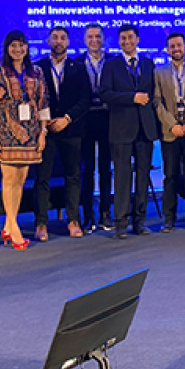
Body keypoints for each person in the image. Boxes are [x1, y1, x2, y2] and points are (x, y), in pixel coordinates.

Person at [0, 30, 49, 249]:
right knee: (9, 178)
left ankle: (8, 225)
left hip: (30, 132)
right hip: (4, 130)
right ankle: (14, 226)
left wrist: (43, 132)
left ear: (27, 48)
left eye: (21, 45)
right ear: (7, 48)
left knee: (20, 180)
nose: (18, 49)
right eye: (13, 45)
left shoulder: (36, 71)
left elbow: (43, 103)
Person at [99, 24, 159, 239]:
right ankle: (121, 223)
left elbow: (154, 94)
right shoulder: (110, 65)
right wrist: (132, 98)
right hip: (121, 129)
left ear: (137, 39)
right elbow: (104, 94)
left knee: (143, 176)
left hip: (145, 129)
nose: (127, 41)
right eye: (123, 38)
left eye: (130, 37)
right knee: (122, 177)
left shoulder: (148, 63)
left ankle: (139, 221)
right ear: (119, 41)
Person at [33, 26, 90, 241]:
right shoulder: (37, 68)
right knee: (42, 178)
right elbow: (32, 98)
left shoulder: (79, 67)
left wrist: (66, 118)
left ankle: (73, 220)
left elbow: (85, 99)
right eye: (55, 38)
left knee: (72, 176)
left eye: (62, 38)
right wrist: (45, 120)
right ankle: (41, 223)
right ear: (48, 41)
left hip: (71, 129)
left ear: (68, 42)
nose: (58, 41)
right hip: (44, 131)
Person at [154, 32, 185, 232]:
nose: (176, 49)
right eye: (172, 46)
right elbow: (157, 102)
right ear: (167, 50)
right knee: (170, 176)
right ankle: (169, 218)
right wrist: (172, 125)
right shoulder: (159, 73)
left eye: (179, 45)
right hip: (170, 133)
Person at [79, 23, 114, 231]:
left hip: (108, 119)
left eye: (98, 36)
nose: (94, 40)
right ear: (85, 40)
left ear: (103, 38)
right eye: (90, 37)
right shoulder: (77, 63)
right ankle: (88, 215)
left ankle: (105, 213)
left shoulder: (113, 61)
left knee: (105, 168)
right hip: (85, 120)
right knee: (87, 169)